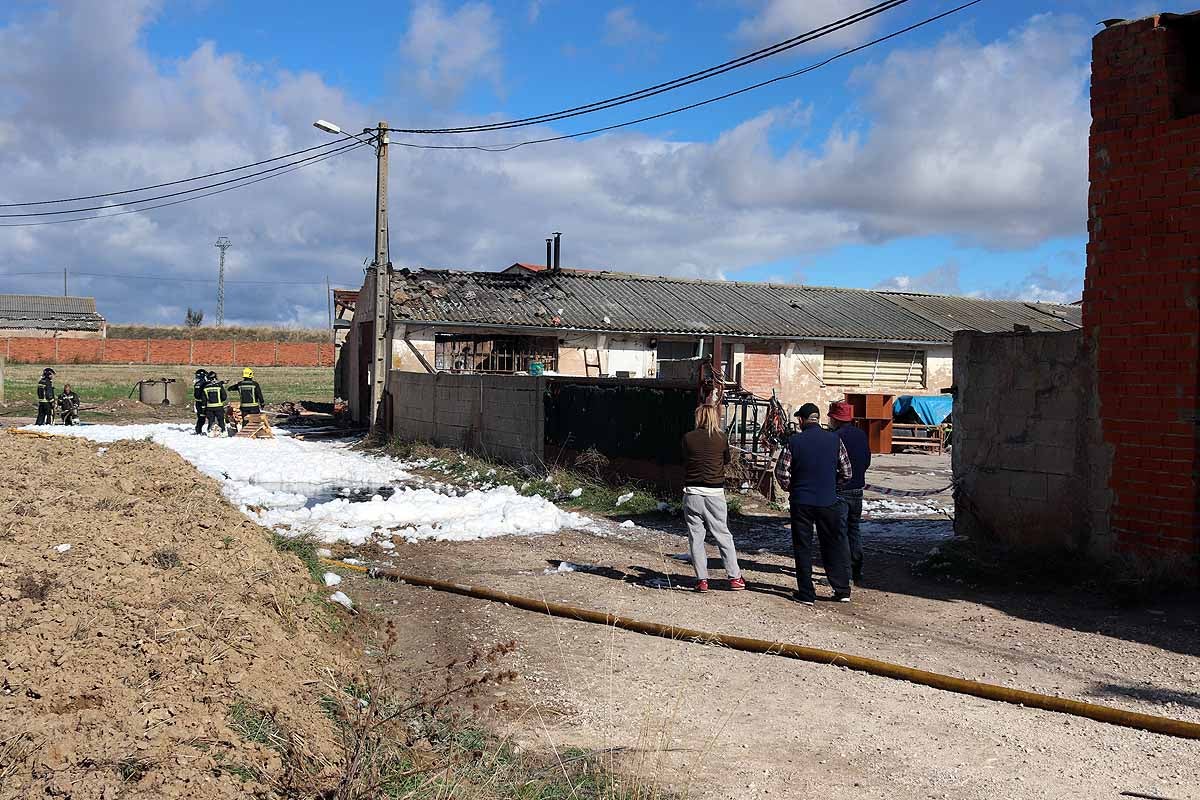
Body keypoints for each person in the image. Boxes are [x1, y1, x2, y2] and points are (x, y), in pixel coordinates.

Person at [774, 402, 853, 605]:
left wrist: (791, 487)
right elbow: (847, 472)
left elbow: (781, 472)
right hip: (828, 500)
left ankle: (807, 594)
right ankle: (842, 589)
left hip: (802, 502)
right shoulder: (834, 440)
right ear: (817, 419)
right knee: (832, 544)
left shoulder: (794, 441)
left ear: (801, 420)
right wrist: (833, 486)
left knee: (803, 546)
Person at [680, 404, 745, 593]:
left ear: (698, 417)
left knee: (696, 538)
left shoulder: (688, 438)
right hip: (714, 493)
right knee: (723, 535)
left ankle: (702, 580)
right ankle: (734, 578)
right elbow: (726, 460)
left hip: (692, 493)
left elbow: (685, 459)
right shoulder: (721, 438)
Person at [828, 400, 871, 584]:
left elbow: (830, 464)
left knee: (840, 533)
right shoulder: (861, 435)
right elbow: (867, 460)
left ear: (835, 419)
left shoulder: (835, 437)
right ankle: (857, 569)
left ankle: (844, 573)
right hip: (857, 490)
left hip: (840, 490)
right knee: (854, 530)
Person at [192, 369, 208, 435]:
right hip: (203, 403)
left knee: (200, 417)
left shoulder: (197, 383)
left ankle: (198, 429)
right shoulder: (204, 383)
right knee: (204, 418)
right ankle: (199, 429)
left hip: (198, 403)